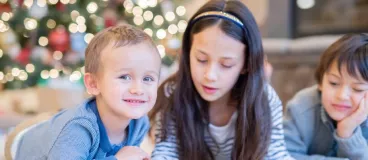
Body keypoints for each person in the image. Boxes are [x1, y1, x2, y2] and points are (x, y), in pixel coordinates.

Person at [149, 0, 292, 159]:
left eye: (226, 64)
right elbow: (165, 153)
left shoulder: (264, 98)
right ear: (188, 53)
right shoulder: (172, 92)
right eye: (202, 60)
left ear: (246, 64)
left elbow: (275, 155)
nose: (210, 75)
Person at [15, 24, 161, 160]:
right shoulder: (77, 130)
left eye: (148, 78)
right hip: (22, 143)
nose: (138, 89)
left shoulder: (140, 123)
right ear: (93, 83)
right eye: (125, 77)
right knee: (64, 125)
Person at [283, 33, 368, 160]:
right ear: (321, 82)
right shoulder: (301, 106)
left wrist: (347, 133)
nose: (342, 96)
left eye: (357, 89)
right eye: (333, 83)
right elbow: (283, 156)